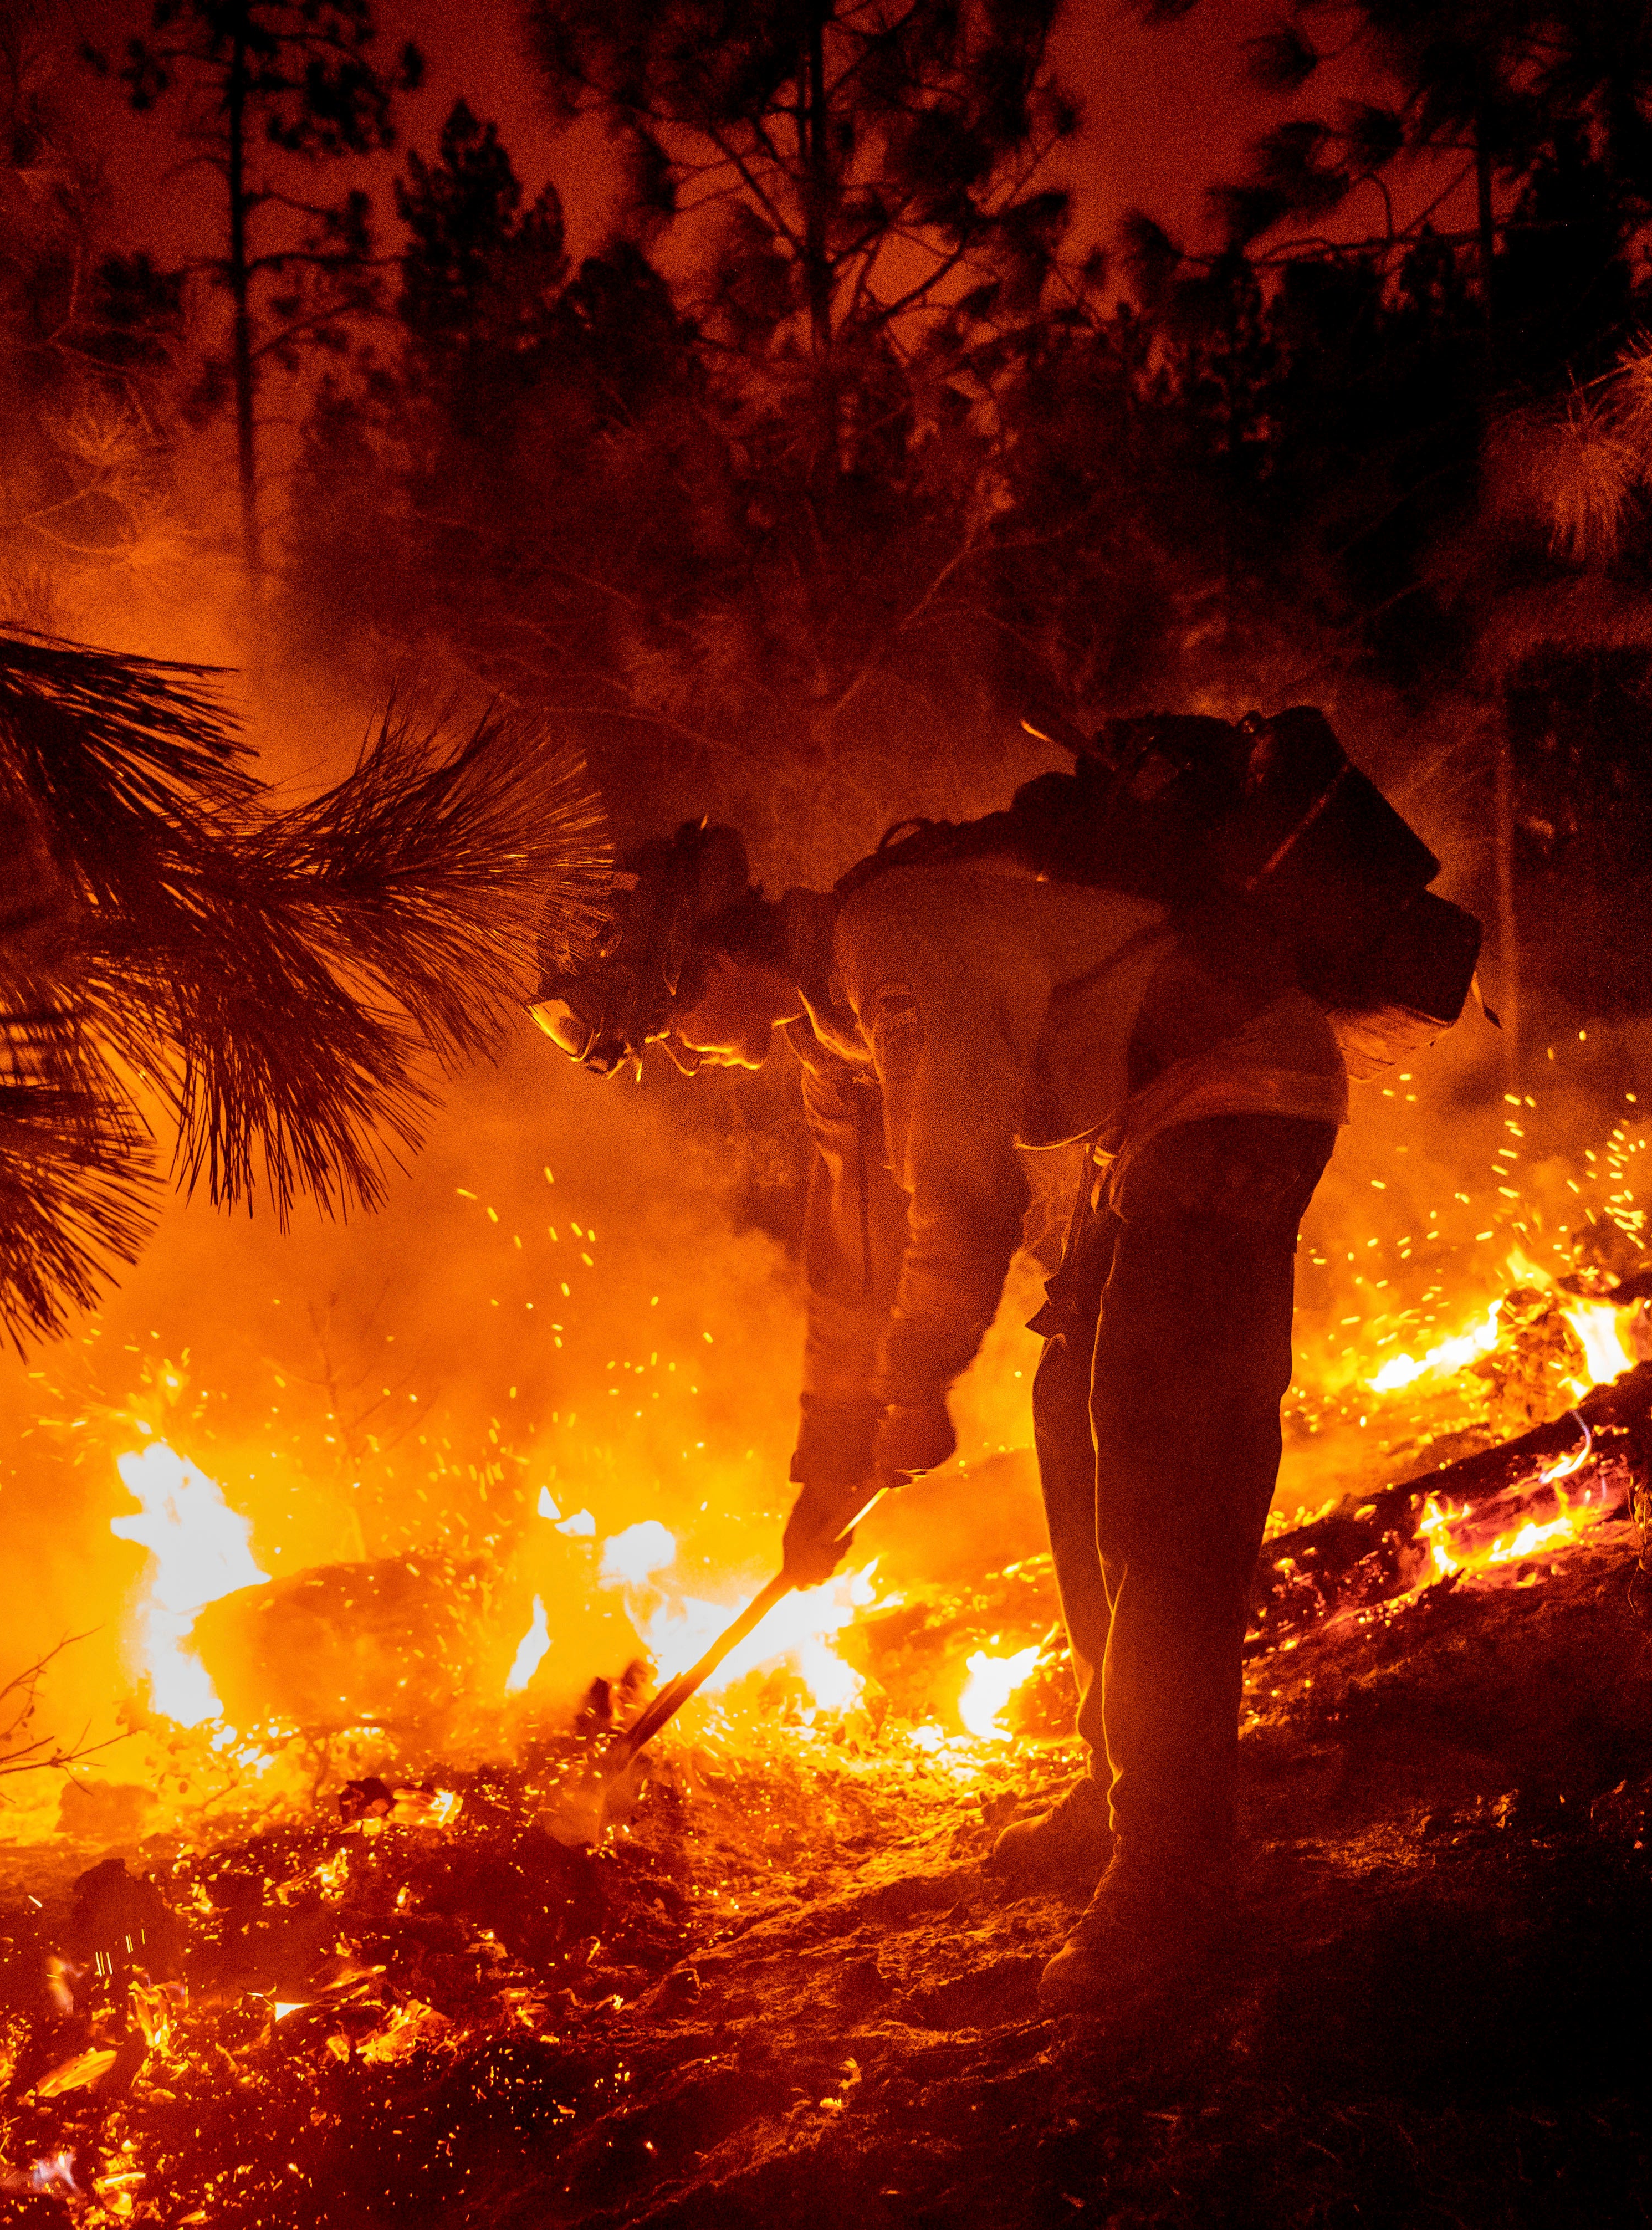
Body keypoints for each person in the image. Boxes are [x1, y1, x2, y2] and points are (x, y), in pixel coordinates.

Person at [533, 804, 1348, 2009]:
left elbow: (962, 1202)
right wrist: (826, 1466)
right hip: (1152, 1127)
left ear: (709, 967)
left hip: (1242, 1082)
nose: (692, 1057)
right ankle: (1120, 1781)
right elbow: (851, 1267)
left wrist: (913, 1400)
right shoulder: (834, 1045)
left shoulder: (888, 949)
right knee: (1072, 1414)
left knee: (1156, 1473)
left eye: (674, 1030)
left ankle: (1178, 1871)